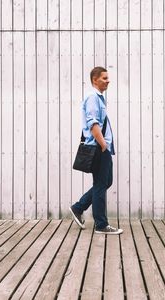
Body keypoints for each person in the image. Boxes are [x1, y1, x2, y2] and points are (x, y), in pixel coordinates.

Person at [69, 67, 123, 235]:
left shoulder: (98, 98)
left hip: (101, 148)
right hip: (99, 148)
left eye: (108, 78)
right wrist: (103, 145)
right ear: (95, 80)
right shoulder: (93, 98)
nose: (108, 81)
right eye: (104, 78)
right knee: (100, 184)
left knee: (106, 182)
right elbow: (93, 124)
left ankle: (78, 207)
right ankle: (101, 224)